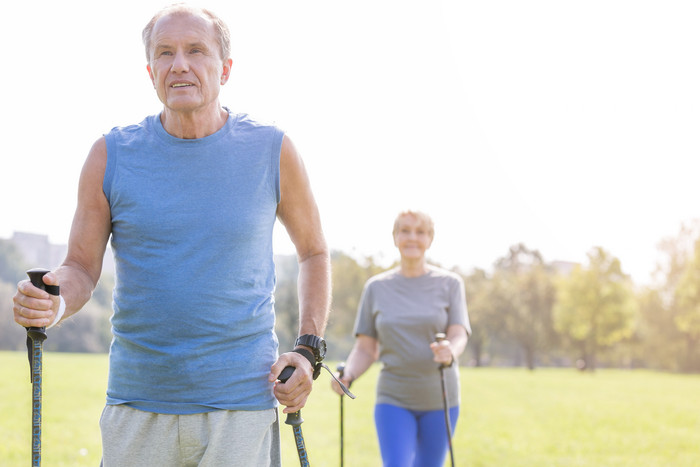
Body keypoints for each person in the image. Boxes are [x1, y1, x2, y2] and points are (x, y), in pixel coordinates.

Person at [12, 4, 330, 466]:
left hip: (240, 404)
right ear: (150, 71)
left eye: (196, 50)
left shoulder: (272, 150)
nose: (179, 64)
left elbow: (314, 252)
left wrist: (307, 349)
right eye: (165, 53)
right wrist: (53, 301)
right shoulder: (110, 154)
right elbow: (80, 267)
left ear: (226, 68)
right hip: (137, 402)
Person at [332, 210, 471, 467]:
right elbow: (365, 348)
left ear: (430, 239)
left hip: (441, 398)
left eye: (420, 232)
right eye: (405, 231)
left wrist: (450, 350)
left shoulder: (450, 284)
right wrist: (348, 375)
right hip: (393, 397)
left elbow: (459, 332)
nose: (412, 238)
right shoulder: (376, 287)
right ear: (395, 237)